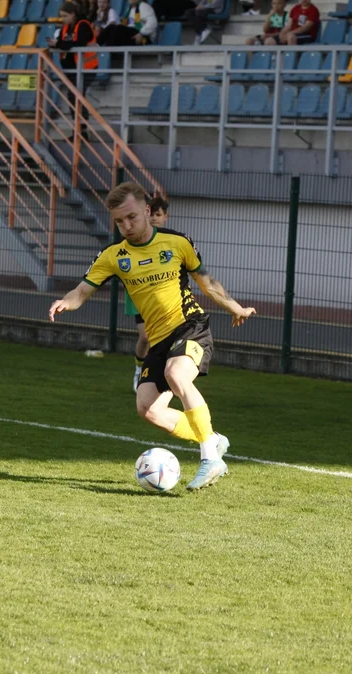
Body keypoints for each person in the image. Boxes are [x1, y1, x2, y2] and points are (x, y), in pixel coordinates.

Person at [49, 183, 257, 491]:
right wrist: (67, 301)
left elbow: (207, 281)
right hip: (159, 340)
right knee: (148, 408)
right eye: (120, 221)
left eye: (131, 217)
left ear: (147, 211)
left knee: (177, 374)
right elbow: (82, 290)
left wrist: (234, 306)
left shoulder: (176, 242)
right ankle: (211, 438)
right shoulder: (113, 255)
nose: (126, 226)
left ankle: (210, 458)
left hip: (190, 326)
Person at [125, 194, 169, 391]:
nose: (154, 218)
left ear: (165, 217)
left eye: (158, 214)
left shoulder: (171, 241)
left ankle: (160, 377)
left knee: (164, 339)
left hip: (163, 297)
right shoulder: (136, 238)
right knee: (145, 337)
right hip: (139, 294)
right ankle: (138, 370)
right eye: (151, 214)